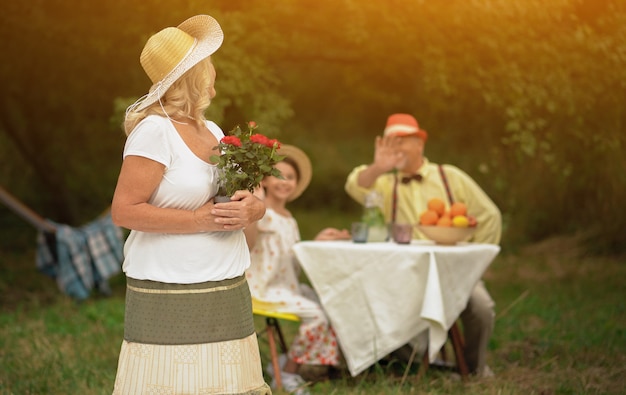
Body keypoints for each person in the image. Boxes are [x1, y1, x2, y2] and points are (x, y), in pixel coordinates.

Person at [110, 15, 271, 394]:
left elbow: (235, 203)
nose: (214, 69)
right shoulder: (155, 131)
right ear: (194, 73)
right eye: (208, 62)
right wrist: (200, 218)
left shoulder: (212, 130)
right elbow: (124, 211)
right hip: (172, 285)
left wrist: (254, 208)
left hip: (225, 282)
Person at [344, 113, 502, 378]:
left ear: (419, 144)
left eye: (402, 141)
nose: (395, 148)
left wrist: (478, 260)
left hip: (453, 270)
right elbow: (355, 185)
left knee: (481, 308)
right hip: (404, 273)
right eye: (390, 142)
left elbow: (489, 216)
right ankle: (412, 368)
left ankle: (473, 368)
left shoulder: (450, 176)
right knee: (377, 300)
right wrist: (378, 167)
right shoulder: (384, 182)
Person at [244, 144, 350, 394]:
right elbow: (249, 242)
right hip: (263, 288)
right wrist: (255, 203)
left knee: (330, 304)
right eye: (278, 175)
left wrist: (318, 241)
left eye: (290, 177)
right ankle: (289, 373)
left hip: (287, 286)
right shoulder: (263, 212)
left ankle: (291, 362)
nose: (285, 181)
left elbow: (292, 255)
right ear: (266, 180)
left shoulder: (289, 218)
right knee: (316, 315)